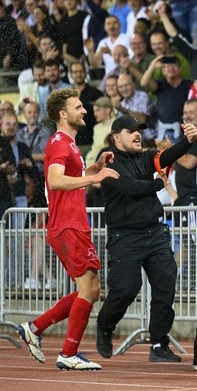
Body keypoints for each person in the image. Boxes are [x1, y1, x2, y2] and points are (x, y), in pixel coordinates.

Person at [17, 89, 119, 371]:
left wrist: (94, 168)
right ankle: (68, 352)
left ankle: (35, 328)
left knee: (91, 289)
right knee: (89, 289)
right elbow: (56, 181)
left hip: (72, 224)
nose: (84, 110)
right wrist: (95, 177)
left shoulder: (69, 144)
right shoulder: (61, 142)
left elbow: (68, 179)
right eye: (78, 106)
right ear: (63, 114)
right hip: (68, 224)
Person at [94, 116, 197, 362]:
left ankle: (159, 344)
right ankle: (105, 326)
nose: (137, 134)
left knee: (165, 283)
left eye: (138, 130)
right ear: (116, 136)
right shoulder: (108, 159)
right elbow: (130, 187)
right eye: (130, 131)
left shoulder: (144, 156)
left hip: (155, 233)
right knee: (126, 289)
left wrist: (188, 140)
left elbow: (168, 156)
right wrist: (158, 184)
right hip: (125, 236)